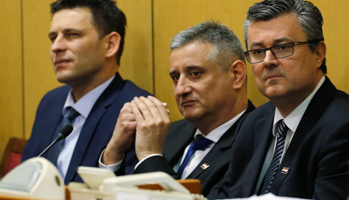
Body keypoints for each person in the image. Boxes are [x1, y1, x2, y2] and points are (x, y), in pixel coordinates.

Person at [207, 0, 349, 199]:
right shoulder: (251, 123)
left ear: (318, 54)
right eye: (257, 52)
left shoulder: (343, 124)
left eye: (283, 47)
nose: (268, 61)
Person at [101, 21, 255, 196]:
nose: (180, 89)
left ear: (236, 75)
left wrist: (150, 155)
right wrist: (114, 150)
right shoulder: (169, 132)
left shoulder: (257, 142)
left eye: (195, 74)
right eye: (175, 77)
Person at [21, 0, 151, 185]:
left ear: (110, 45)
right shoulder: (50, 103)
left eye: (72, 35)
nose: (55, 47)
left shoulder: (136, 110)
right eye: (53, 37)